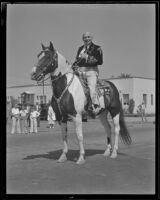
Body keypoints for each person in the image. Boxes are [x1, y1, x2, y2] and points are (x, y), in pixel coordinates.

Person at [73, 32, 103, 114]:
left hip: (91, 71)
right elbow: (77, 61)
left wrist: (87, 57)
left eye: (88, 37)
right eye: (85, 37)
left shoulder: (97, 48)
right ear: (83, 39)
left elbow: (100, 61)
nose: (87, 39)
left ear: (92, 38)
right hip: (80, 71)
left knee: (91, 88)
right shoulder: (80, 49)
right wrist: (72, 66)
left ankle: (94, 105)